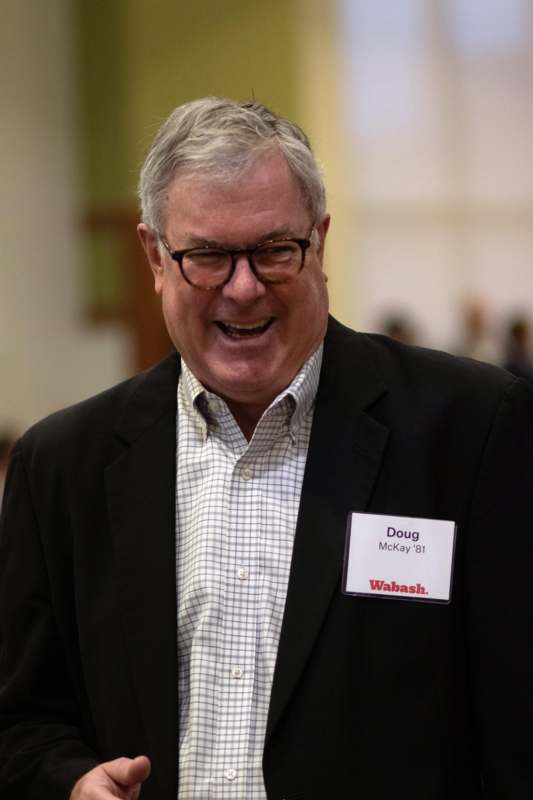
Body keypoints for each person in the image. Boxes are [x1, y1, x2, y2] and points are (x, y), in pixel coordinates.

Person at [1, 98, 533, 800]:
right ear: (155, 257)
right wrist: (70, 783)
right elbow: (20, 724)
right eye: (208, 257)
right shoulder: (64, 466)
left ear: (319, 242)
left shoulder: (471, 430)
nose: (243, 287)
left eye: (274, 250)